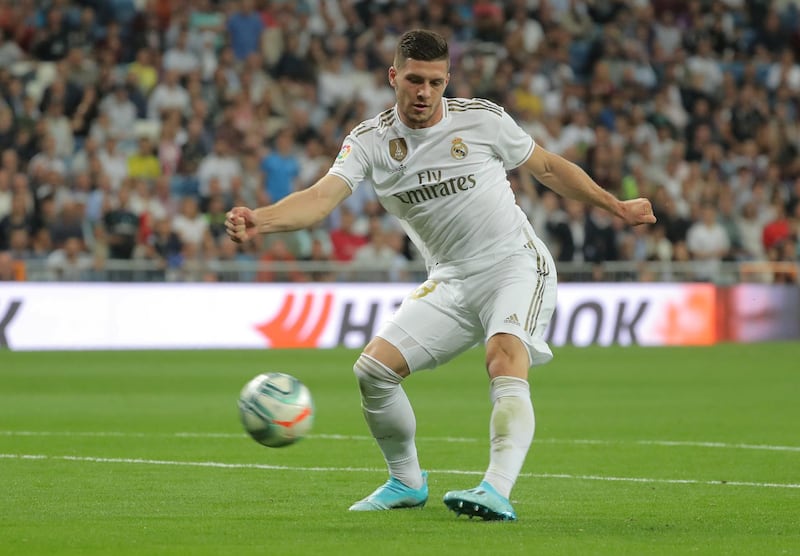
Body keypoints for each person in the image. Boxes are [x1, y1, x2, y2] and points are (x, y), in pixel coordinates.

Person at [225, 29, 656, 521]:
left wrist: (614, 205)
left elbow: (549, 168)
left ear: (447, 79)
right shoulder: (370, 142)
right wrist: (263, 219)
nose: (424, 92)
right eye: (413, 80)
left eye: (434, 81)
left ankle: (496, 489)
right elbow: (322, 197)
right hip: (451, 280)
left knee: (504, 355)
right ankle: (406, 481)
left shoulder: (483, 120)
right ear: (393, 77)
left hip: (514, 263)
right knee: (373, 372)